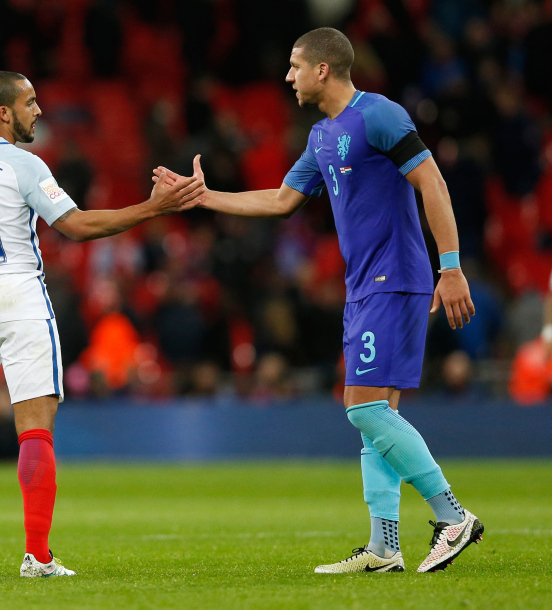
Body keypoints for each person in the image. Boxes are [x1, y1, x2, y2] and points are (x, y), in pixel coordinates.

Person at [154, 28, 483, 574]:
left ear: (323, 69)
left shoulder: (379, 115)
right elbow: (281, 200)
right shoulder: (321, 136)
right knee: (376, 417)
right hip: (363, 285)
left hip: (395, 276)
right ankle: (384, 547)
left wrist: (450, 267)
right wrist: (204, 197)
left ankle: (452, 516)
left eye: (295, 65)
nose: (288, 76)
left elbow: (433, 183)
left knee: (363, 407)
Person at [0, 71, 204, 578]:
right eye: (30, 102)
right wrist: (153, 208)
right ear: (4, 112)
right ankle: (37, 558)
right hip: (20, 298)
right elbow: (76, 226)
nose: (38, 110)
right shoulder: (24, 164)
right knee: (35, 430)